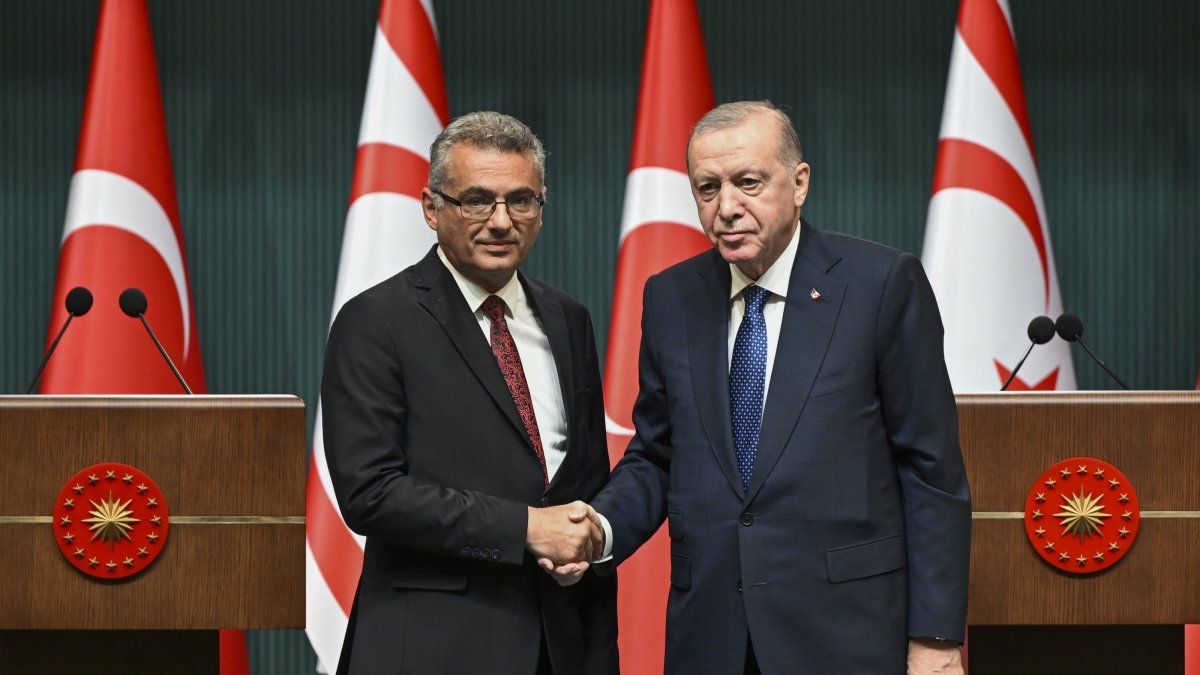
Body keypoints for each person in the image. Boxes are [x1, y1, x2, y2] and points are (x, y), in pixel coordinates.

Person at [553, 100, 971, 674]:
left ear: (799, 183)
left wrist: (937, 637)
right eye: (707, 188)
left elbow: (931, 472)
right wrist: (598, 528)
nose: (727, 208)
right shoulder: (671, 297)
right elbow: (656, 454)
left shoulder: (880, 285)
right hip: (713, 637)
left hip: (848, 632)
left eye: (749, 182)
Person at [321, 111, 617, 675]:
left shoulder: (568, 318)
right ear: (432, 209)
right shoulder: (376, 321)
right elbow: (371, 493)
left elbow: (585, 480)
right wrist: (527, 528)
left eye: (521, 200)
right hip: (433, 647)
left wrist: (585, 539)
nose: (501, 221)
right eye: (477, 200)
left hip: (564, 642)